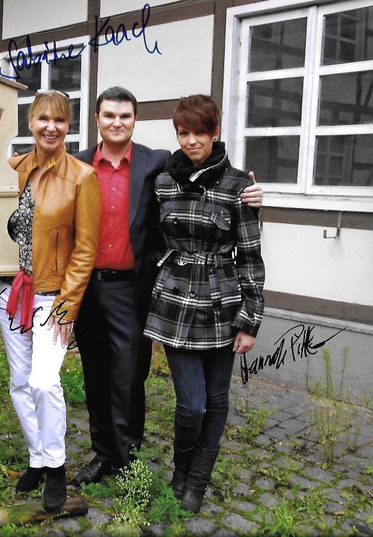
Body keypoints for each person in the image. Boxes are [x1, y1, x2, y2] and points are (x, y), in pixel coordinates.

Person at [71, 87, 263, 485]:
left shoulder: (155, 164)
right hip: (88, 289)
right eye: (109, 115)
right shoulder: (77, 164)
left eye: (125, 116)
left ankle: (128, 459)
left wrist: (253, 196)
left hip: (131, 289)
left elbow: (213, 191)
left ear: (135, 120)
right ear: (96, 119)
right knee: (94, 374)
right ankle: (102, 452)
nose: (117, 122)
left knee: (129, 376)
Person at [143, 94, 265, 513]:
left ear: (215, 132)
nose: (191, 140)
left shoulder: (239, 187)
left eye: (199, 132)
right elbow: (151, 238)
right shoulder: (163, 183)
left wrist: (250, 320)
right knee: (191, 404)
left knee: (216, 400)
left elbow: (250, 256)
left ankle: (197, 480)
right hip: (175, 302)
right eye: (183, 133)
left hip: (222, 304)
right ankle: (181, 468)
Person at [0, 90, 101, 510]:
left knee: (43, 381)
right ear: (30, 124)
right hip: (10, 291)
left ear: (68, 126)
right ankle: (37, 458)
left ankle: (55, 467)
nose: (50, 127)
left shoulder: (82, 178)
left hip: (53, 294)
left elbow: (86, 248)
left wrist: (69, 304)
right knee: (19, 382)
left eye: (59, 120)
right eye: (42, 119)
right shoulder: (13, 171)